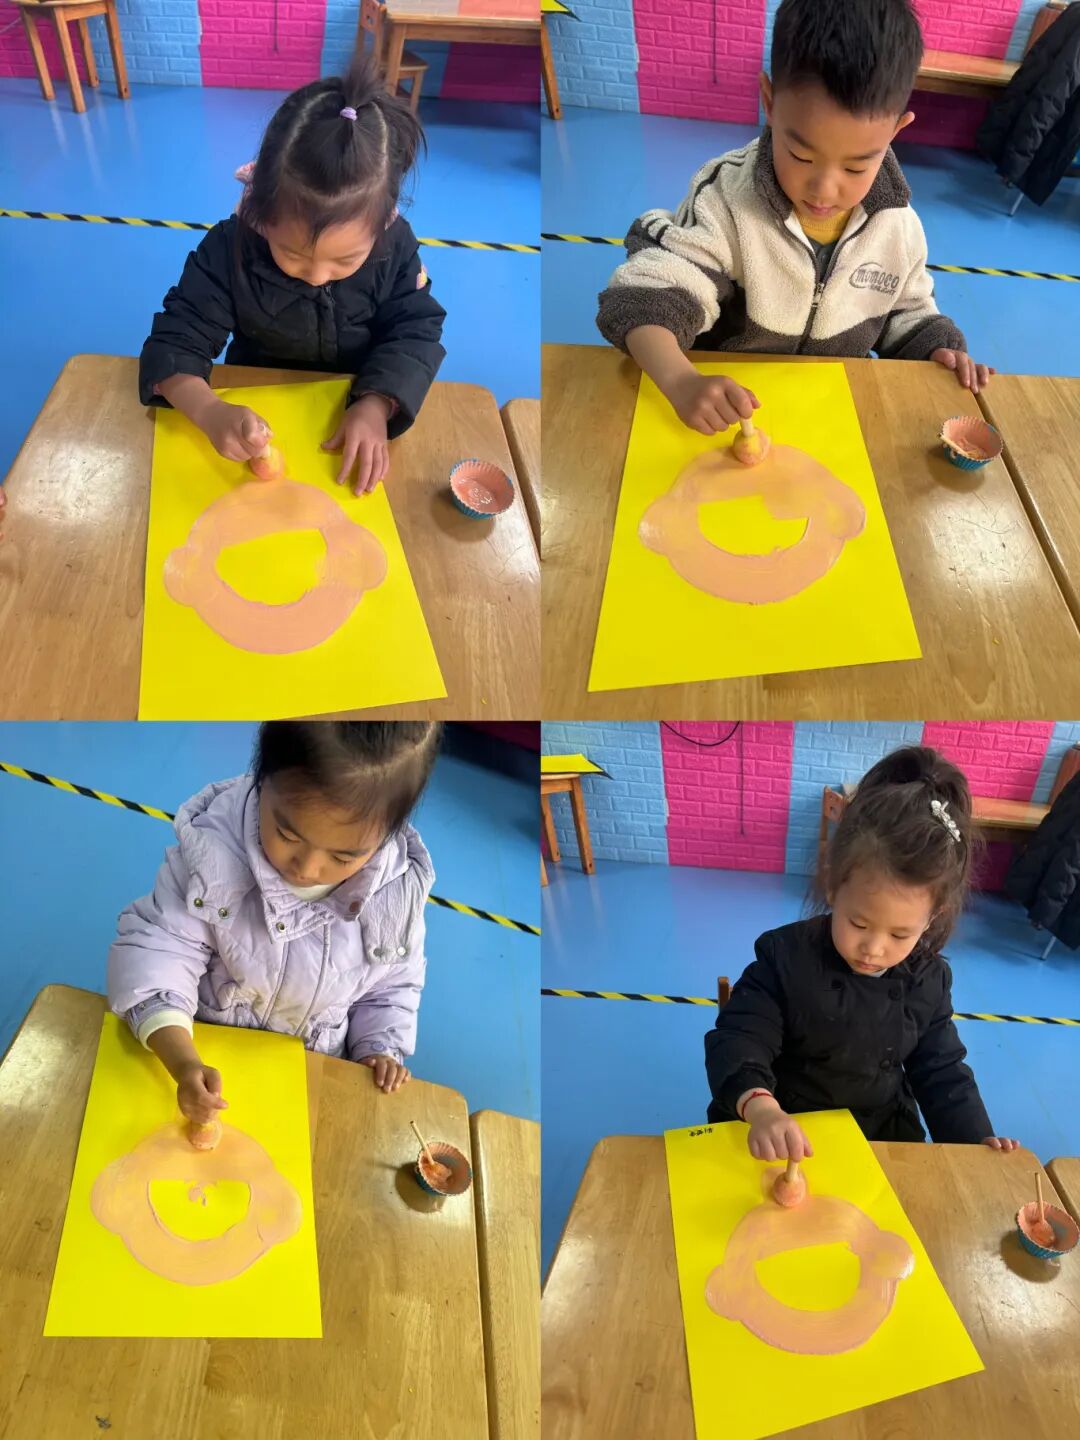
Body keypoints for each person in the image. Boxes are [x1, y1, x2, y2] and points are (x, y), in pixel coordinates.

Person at [597, 0, 995, 439]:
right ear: (769, 102)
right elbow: (648, 295)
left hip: (826, 415)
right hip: (731, 414)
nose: (824, 190)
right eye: (802, 156)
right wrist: (680, 380)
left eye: (856, 166)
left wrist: (937, 348)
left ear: (896, 132)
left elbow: (907, 312)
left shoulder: (899, 227)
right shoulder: (725, 198)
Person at [138, 54, 445, 496]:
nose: (317, 276)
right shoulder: (230, 247)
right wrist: (208, 410)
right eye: (292, 253)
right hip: (257, 399)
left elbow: (416, 331)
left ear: (382, 226)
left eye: (345, 261)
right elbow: (174, 341)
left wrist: (378, 403)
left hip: (355, 398)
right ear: (262, 214)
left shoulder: (395, 248)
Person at [107, 722, 441, 1128]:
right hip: (202, 1051)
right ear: (261, 781)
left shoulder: (395, 893)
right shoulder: (213, 855)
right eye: (287, 834)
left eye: (343, 857)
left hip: (306, 1078)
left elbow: (391, 988)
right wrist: (182, 1060)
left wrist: (377, 1049)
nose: (308, 868)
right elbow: (159, 950)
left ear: (388, 833)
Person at [705, 746, 1019, 1158]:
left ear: (932, 918)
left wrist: (975, 1141)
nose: (874, 948)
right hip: (787, 1127)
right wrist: (760, 1106)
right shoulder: (784, 956)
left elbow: (941, 1072)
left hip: (877, 1134)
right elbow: (740, 1036)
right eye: (858, 923)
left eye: (901, 934)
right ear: (833, 887)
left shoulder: (929, 980)